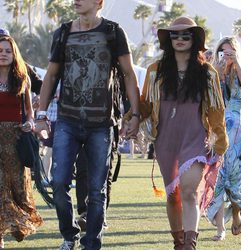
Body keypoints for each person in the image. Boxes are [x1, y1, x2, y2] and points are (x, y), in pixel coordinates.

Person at [34, 0, 140, 249]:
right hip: (67, 121)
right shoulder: (63, 33)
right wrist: (40, 115)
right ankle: (70, 235)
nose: (75, 0)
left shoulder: (113, 32)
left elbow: (129, 74)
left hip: (102, 124)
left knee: (96, 189)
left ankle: (92, 243)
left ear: (99, 2)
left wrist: (135, 114)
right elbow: (50, 75)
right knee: (58, 182)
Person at [124, 16, 229, 250]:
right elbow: (146, 105)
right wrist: (133, 118)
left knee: (190, 191)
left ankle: (190, 245)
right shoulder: (155, 71)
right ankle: (179, 243)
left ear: (194, 39)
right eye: (175, 35)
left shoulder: (207, 73)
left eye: (185, 35)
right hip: (165, 141)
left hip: (195, 137)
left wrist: (220, 141)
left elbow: (215, 110)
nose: (180, 39)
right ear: (168, 39)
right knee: (174, 195)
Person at [0, 34, 43, 249]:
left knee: (17, 188)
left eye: (7, 51)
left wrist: (30, 124)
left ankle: (17, 222)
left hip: (15, 140)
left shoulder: (22, 78)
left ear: (14, 53)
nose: (3, 54)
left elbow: (29, 111)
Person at [206, 36, 241, 241]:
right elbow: (207, 93)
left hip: (237, 134)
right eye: (223, 52)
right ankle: (220, 230)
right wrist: (217, 67)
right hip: (217, 131)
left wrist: (237, 65)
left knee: (235, 178)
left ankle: (236, 212)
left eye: (230, 52)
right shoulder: (213, 70)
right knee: (217, 180)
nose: (226, 56)